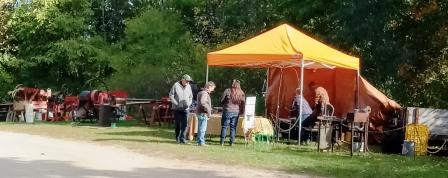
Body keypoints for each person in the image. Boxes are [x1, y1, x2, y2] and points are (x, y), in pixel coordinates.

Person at [169, 74, 193, 144]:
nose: (188, 83)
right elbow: (171, 95)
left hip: (186, 109)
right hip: (177, 108)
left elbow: (191, 97)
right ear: (182, 80)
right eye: (187, 81)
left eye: (189, 81)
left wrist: (188, 104)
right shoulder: (176, 85)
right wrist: (176, 103)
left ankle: (183, 139)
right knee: (177, 124)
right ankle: (177, 138)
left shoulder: (189, 86)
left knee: (185, 124)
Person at [220, 80, 245, 146]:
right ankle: (231, 143)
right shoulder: (241, 92)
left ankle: (222, 142)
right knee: (233, 127)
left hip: (227, 110)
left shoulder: (227, 90)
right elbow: (243, 103)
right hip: (236, 112)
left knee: (224, 127)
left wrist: (225, 104)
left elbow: (221, 100)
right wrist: (242, 111)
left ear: (232, 84)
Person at [195, 81, 216, 146]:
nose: (213, 89)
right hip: (203, 113)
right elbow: (203, 102)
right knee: (202, 129)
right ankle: (201, 142)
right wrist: (208, 109)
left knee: (200, 128)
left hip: (200, 112)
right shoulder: (204, 93)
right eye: (213, 88)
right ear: (209, 87)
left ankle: (199, 141)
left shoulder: (201, 92)